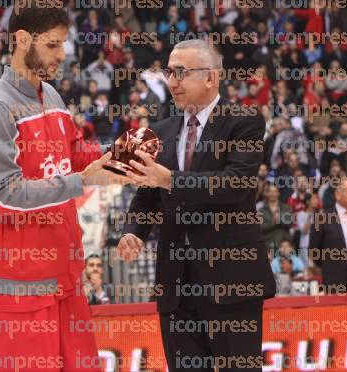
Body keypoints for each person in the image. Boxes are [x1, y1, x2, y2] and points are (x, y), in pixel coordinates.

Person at [0, 0, 129, 372]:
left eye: (62, 45)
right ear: (22, 39)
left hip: (65, 283)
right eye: (52, 45)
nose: (61, 55)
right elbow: (5, 191)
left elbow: (75, 151)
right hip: (16, 289)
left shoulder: (51, 95)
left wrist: (119, 152)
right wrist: (80, 182)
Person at [117, 39, 275, 372]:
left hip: (232, 279)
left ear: (210, 77)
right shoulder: (158, 131)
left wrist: (170, 179)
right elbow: (146, 196)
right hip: (176, 283)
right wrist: (133, 231)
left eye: (181, 72)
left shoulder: (244, 120)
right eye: (169, 72)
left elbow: (236, 184)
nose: (172, 81)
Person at [310, 178, 347, 293]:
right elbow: (314, 252)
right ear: (338, 195)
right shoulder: (322, 218)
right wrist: (331, 266)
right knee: (338, 312)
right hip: (335, 281)